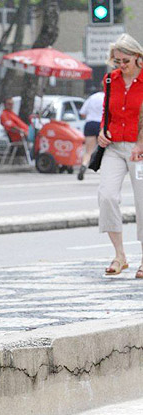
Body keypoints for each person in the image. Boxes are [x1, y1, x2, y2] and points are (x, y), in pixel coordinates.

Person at [97, 33, 143, 277]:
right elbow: (107, 110)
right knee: (106, 197)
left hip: (140, 149)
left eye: (125, 61)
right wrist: (102, 131)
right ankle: (120, 255)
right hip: (114, 147)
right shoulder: (110, 80)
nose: (121, 66)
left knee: (142, 202)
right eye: (117, 61)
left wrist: (141, 143)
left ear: (138, 57)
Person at [77, 85, 105, 181]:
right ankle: (103, 171)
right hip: (102, 124)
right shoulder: (108, 97)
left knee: (88, 150)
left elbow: (82, 112)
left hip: (90, 123)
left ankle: (84, 164)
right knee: (104, 150)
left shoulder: (92, 97)